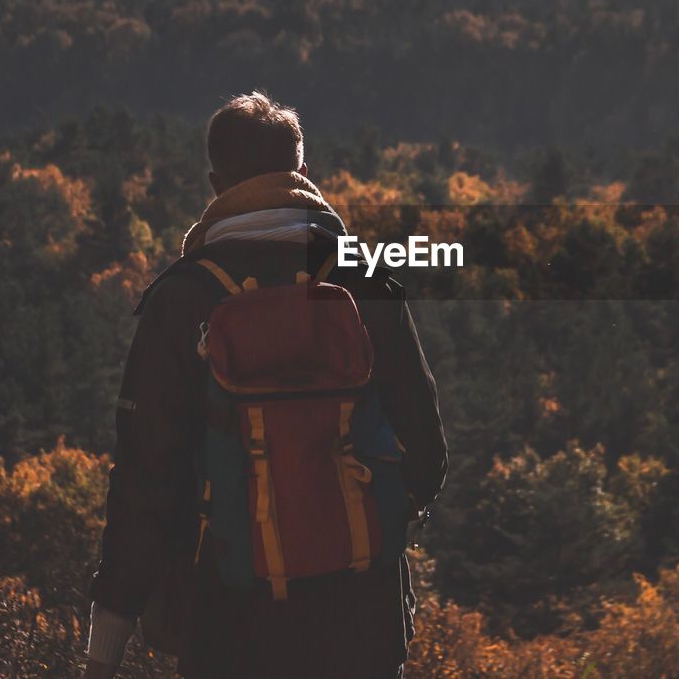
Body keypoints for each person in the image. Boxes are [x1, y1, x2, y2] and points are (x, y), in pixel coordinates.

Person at [85, 93, 448, 678]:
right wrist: (361, 531)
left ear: (215, 183)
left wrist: (107, 644)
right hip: (360, 622)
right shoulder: (364, 279)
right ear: (303, 173)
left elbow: (144, 479)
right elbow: (426, 454)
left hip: (229, 626)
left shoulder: (181, 299)